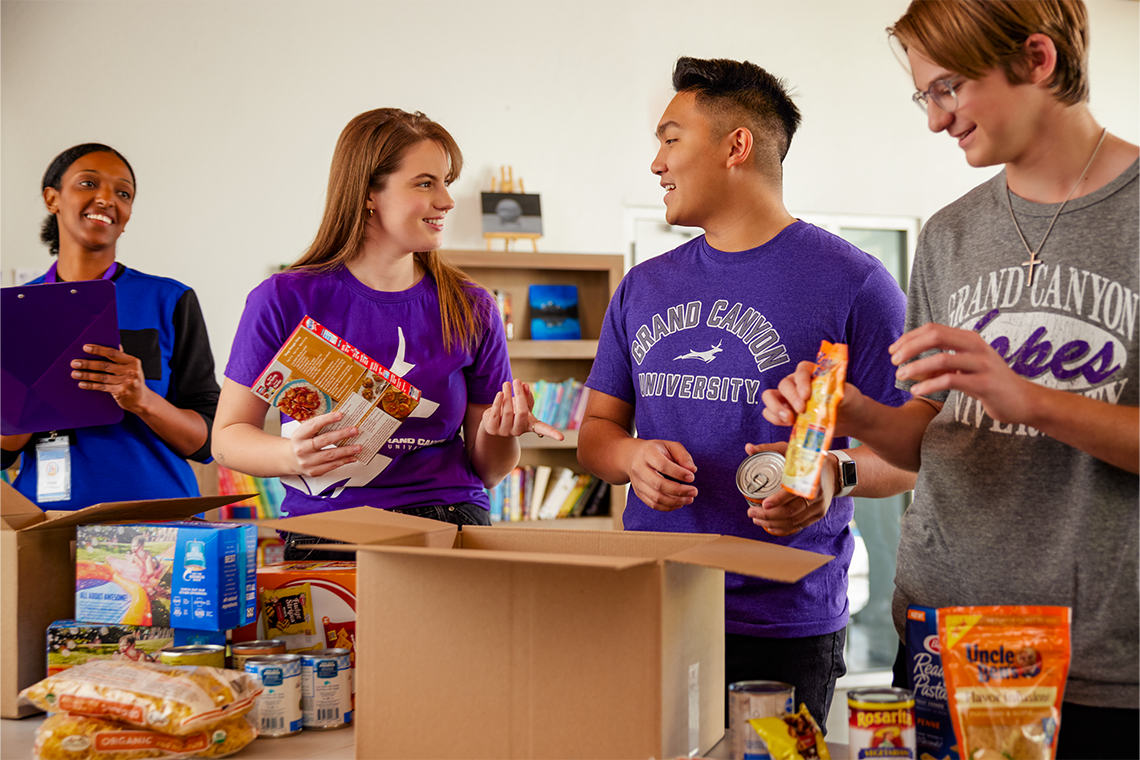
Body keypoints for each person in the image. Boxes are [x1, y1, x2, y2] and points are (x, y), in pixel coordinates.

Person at [763, 0, 1140, 753]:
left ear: (1038, 59)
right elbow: (923, 439)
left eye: (949, 89)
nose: (935, 120)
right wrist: (852, 412)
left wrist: (1025, 397)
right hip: (943, 637)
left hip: (1102, 660)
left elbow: (1013, 404)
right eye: (923, 95)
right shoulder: (948, 234)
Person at [577, 57, 915, 727]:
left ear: (737, 146)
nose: (655, 163)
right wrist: (629, 460)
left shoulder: (856, 284)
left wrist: (832, 478)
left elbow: (906, 454)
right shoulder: (643, 286)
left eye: (671, 138)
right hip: (655, 599)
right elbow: (597, 435)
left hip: (784, 622)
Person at [213, 108, 558, 559]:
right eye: (425, 183)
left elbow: (489, 471)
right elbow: (228, 437)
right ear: (369, 193)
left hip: (447, 523)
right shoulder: (284, 298)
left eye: (446, 182)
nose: (448, 201)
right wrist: (291, 456)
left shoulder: (473, 307)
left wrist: (501, 432)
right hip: (329, 531)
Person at [0, 144, 220, 509]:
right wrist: (30, 404)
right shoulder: (13, 309)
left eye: (122, 193)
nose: (106, 199)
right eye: (88, 184)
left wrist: (142, 400)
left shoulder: (168, 300)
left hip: (157, 520)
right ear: (52, 198)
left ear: (129, 213)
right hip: (45, 525)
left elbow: (208, 442)